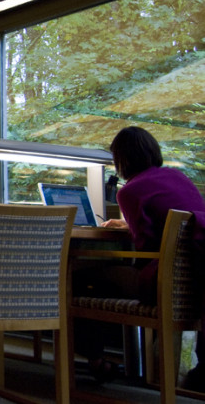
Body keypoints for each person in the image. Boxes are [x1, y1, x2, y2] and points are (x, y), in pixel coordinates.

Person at [74, 126, 205, 383]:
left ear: (121, 160)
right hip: (194, 281)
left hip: (159, 281)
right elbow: (175, 222)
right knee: (102, 279)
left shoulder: (130, 191)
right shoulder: (178, 177)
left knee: (78, 279)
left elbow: (145, 249)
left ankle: (96, 361)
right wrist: (128, 225)